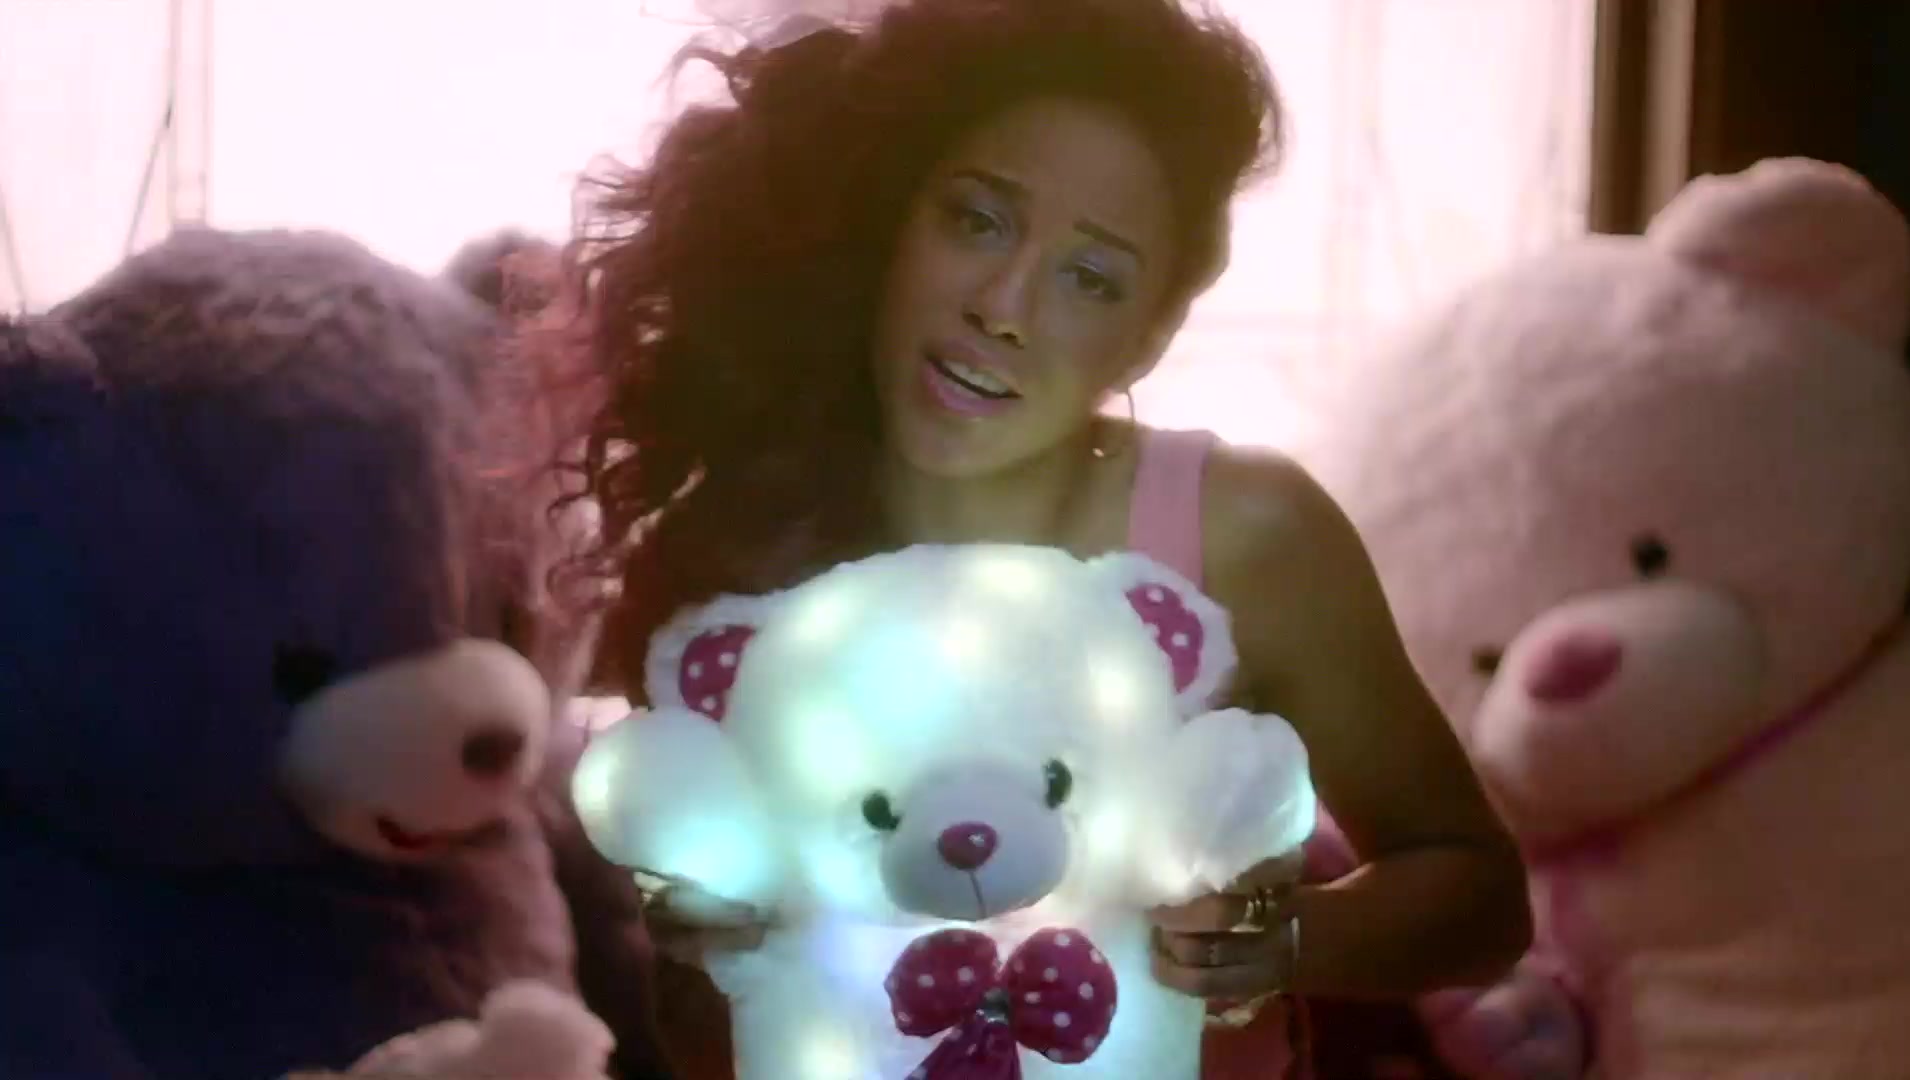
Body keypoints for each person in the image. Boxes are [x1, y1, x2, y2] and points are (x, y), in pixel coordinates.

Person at [540, 0, 1532, 1074]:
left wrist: (1273, 942)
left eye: (1090, 278)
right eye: (977, 221)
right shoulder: (745, 548)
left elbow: (1481, 900)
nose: (1005, 307)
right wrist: (709, 937)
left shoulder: (1243, 536)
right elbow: (705, 1034)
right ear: (892, 223)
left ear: (1148, 335)